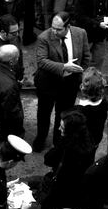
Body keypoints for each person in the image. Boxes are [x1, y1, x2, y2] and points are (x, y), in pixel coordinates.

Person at [33, 12, 91, 151]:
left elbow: (86, 56)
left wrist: (80, 72)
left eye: (58, 29)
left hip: (69, 83)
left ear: (68, 26)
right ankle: (41, 139)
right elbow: (42, 61)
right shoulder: (44, 38)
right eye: (53, 27)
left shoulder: (80, 33)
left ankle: (58, 141)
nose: (54, 31)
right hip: (48, 82)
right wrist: (64, 67)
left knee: (64, 113)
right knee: (44, 113)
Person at [36, 109, 95, 209]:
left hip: (60, 190)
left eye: (62, 127)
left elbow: (48, 159)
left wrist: (60, 144)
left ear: (71, 131)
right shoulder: (88, 143)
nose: (58, 128)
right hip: (77, 193)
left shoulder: (66, 147)